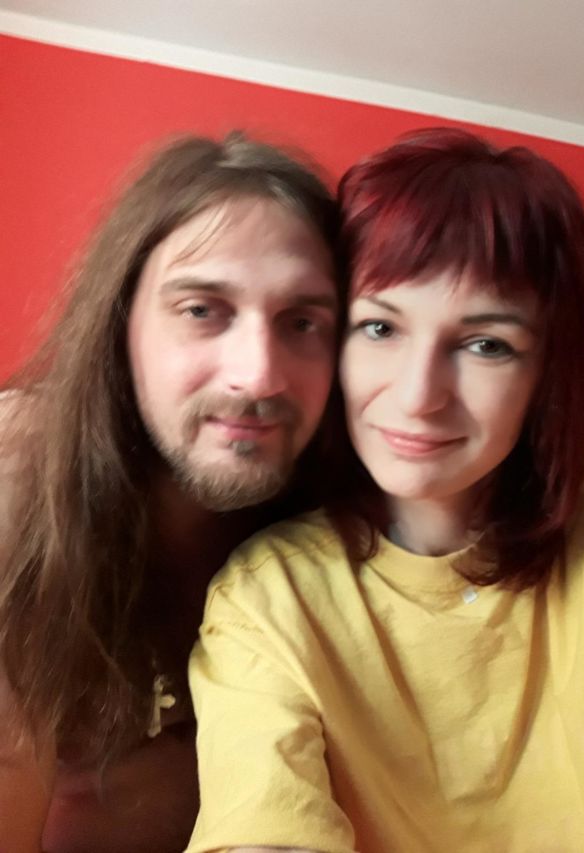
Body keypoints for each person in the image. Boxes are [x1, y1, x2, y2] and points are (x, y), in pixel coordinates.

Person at [187, 128, 584, 853]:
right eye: (379, 327)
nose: (418, 396)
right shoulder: (268, 595)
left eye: (486, 344)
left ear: (548, 375)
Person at [0, 132, 346, 853]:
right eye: (202, 310)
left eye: (302, 322)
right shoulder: (19, 476)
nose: (258, 375)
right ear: (120, 320)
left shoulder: (341, 529)